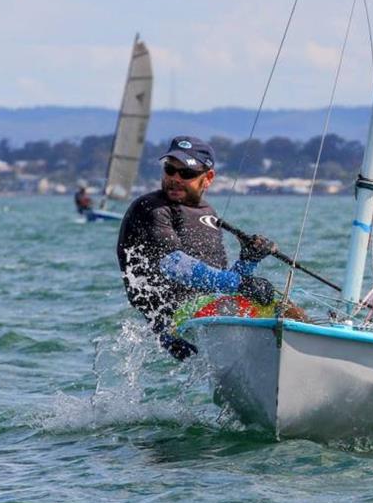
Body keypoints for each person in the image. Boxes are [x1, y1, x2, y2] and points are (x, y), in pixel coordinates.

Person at [116, 136, 276, 361]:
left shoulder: (208, 213)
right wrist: (241, 284)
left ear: (208, 178)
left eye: (186, 173)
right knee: (271, 311)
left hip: (210, 311)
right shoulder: (152, 208)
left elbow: (221, 285)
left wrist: (248, 261)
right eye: (170, 170)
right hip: (178, 321)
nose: (175, 179)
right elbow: (174, 265)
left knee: (284, 309)